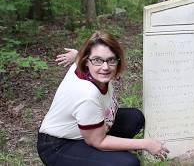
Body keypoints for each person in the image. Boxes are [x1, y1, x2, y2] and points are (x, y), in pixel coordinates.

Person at [37, 31, 169, 166]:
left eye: (111, 60)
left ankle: (102, 157)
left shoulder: (90, 67)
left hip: (85, 130)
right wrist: (146, 143)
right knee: (128, 163)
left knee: (134, 118)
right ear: (86, 61)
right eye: (98, 60)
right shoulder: (87, 96)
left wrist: (76, 55)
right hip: (58, 145)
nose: (105, 67)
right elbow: (98, 141)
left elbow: (85, 57)